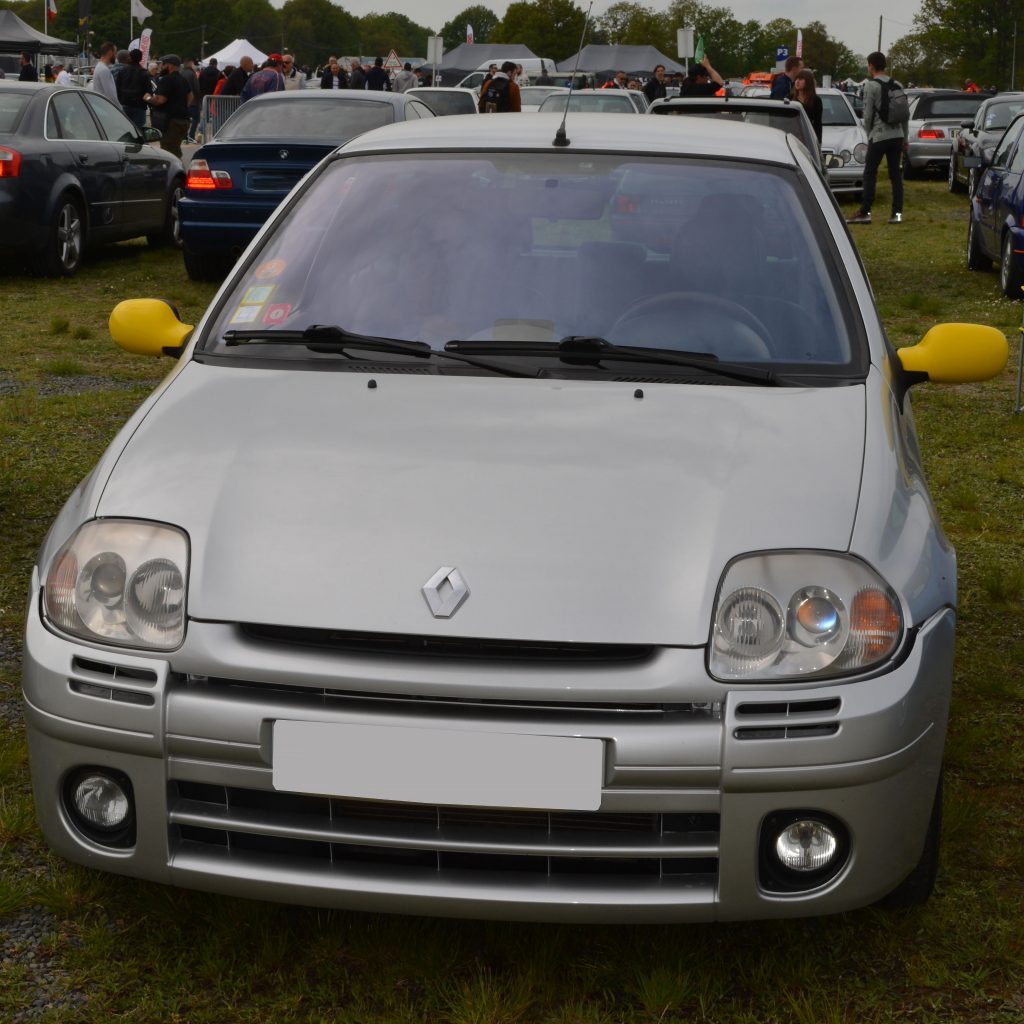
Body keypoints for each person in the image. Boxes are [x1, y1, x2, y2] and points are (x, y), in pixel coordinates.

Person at [847, 51, 908, 225]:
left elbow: (867, 115)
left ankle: (865, 211)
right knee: (895, 174)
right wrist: (905, 138)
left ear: (871, 66)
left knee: (870, 172)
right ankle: (897, 214)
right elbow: (905, 114)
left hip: (879, 135)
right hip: (897, 135)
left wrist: (869, 133)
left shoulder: (870, 86)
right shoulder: (898, 84)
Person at [144, 55, 191, 158]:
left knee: (169, 152)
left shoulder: (167, 80)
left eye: (162, 64)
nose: (161, 67)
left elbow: (160, 100)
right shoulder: (183, 79)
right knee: (175, 149)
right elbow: (190, 97)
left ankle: (175, 172)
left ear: (169, 66)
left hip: (171, 121)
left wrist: (147, 98)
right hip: (183, 120)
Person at [115, 49, 150, 128]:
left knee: (125, 130)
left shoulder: (122, 71)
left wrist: (121, 101)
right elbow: (148, 91)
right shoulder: (144, 73)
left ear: (129, 58)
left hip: (125, 105)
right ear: (141, 59)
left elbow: (117, 89)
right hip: (139, 106)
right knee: (139, 132)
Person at [792, 69, 822, 144]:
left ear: (808, 82)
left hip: (808, 138)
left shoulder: (816, 100)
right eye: (796, 79)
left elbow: (817, 123)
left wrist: (818, 142)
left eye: (801, 79)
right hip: (792, 137)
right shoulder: (790, 98)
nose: (797, 81)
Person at [181, 58, 200, 142]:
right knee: (196, 118)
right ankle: (191, 135)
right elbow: (196, 88)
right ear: (189, 64)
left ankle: (184, 136)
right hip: (193, 101)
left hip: (183, 101)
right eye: (192, 64)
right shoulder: (192, 74)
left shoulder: (180, 73)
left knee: (185, 119)